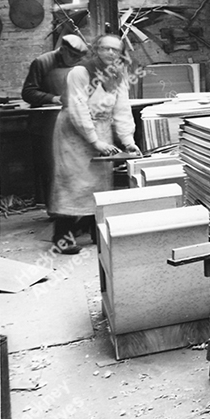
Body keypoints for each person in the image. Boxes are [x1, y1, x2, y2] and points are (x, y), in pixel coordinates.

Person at [47, 33, 140, 254]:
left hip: (102, 130)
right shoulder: (80, 72)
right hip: (74, 133)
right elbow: (77, 107)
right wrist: (94, 140)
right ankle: (63, 238)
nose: (111, 53)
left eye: (115, 50)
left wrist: (128, 141)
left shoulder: (118, 74)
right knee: (73, 185)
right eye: (105, 48)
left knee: (99, 185)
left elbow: (122, 109)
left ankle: (96, 233)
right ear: (95, 49)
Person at [22, 33, 88, 204]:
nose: (76, 60)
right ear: (63, 50)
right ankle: (51, 207)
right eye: (73, 56)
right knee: (49, 168)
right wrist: (54, 98)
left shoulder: (79, 65)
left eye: (79, 57)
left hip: (69, 124)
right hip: (45, 126)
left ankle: (71, 205)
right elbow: (28, 92)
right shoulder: (42, 62)